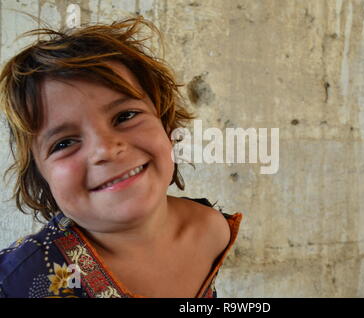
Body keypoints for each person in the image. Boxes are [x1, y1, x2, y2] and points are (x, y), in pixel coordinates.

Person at [0, 15, 242, 298]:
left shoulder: (212, 229)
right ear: (40, 176)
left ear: (167, 126)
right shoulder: (15, 283)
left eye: (125, 116)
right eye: (64, 143)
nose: (105, 149)